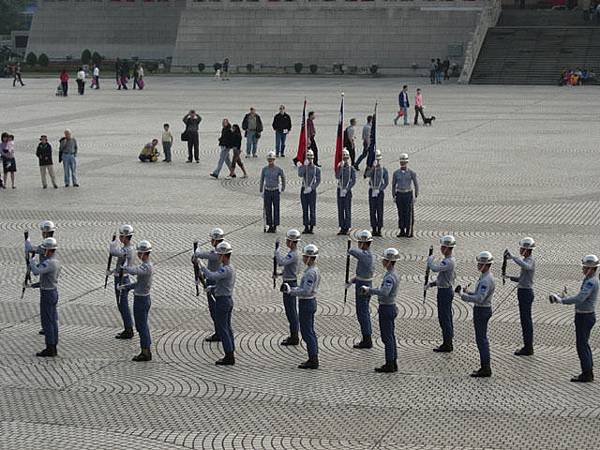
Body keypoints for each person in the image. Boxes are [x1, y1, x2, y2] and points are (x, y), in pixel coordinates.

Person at [549, 255, 598, 383]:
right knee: (584, 344)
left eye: (585, 267)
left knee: (581, 345)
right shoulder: (589, 279)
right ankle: (588, 370)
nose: (583, 269)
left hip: (584, 316)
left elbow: (580, 298)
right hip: (584, 315)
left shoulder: (591, 282)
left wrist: (562, 300)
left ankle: (587, 373)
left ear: (591, 269)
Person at [456, 251, 496, 378]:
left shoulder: (485, 280)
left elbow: (480, 298)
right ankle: (484, 366)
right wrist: (469, 292)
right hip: (482, 309)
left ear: (485, 264)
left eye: (480, 263)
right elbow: (478, 293)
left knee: (481, 340)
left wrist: (464, 296)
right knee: (481, 339)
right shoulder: (485, 276)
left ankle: (485, 368)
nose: (478, 265)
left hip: (481, 310)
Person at [361, 247, 400, 373]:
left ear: (389, 262)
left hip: (386, 307)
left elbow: (384, 292)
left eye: (384, 260)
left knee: (387, 337)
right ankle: (393, 361)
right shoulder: (393, 274)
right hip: (390, 307)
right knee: (391, 336)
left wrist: (370, 290)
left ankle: (389, 363)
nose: (383, 262)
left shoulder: (390, 277)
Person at [282, 243, 321, 369]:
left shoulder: (310, 273)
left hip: (307, 302)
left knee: (307, 332)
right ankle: (313, 356)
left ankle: (313, 359)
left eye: (305, 257)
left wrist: (291, 291)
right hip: (309, 301)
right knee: (309, 331)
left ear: (310, 258)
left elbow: (306, 291)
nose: (303, 259)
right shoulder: (313, 270)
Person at [199, 241, 237, 366]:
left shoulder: (225, 269)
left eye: (219, 255)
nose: (218, 257)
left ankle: (228, 355)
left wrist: (201, 265)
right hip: (227, 299)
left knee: (223, 328)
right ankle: (231, 351)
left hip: (223, 301)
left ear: (223, 256)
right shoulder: (230, 267)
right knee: (227, 327)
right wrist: (211, 288)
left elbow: (211, 275)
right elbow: (221, 284)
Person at [118, 240, 154, 362]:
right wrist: (126, 287)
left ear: (144, 254)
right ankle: (146, 349)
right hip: (142, 298)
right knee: (142, 325)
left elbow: (135, 271)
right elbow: (139, 283)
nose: (138, 255)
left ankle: (145, 351)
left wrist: (125, 268)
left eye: (139, 253)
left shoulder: (146, 267)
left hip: (141, 300)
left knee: (141, 326)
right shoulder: (146, 265)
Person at [504, 237, 536, 356]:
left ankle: (528, 347)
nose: (520, 249)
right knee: (524, 320)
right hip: (523, 292)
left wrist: (512, 257)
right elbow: (523, 277)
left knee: (526, 320)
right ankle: (527, 345)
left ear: (526, 250)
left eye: (521, 248)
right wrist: (510, 277)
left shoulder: (529, 261)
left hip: (526, 293)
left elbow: (526, 267)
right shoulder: (526, 260)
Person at [30, 237, 61, 357]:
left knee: (47, 322)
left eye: (44, 250)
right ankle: (53, 346)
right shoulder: (56, 262)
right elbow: (46, 280)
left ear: (49, 250)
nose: (43, 252)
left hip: (47, 294)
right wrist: (33, 285)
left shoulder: (49, 263)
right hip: (52, 291)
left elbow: (36, 271)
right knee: (52, 321)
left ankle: (50, 347)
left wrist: (31, 260)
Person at [193, 228, 225, 342]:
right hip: (215, 280)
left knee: (214, 309)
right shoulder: (220, 251)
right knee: (215, 309)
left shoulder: (216, 253)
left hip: (213, 281)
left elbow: (200, 254)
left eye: (212, 239)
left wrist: (196, 248)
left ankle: (219, 332)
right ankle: (219, 331)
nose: (211, 241)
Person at [426, 235, 457, 353]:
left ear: (447, 248)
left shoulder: (448, 262)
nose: (441, 249)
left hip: (445, 292)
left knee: (444, 318)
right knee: (446, 316)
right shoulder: (449, 260)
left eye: (443, 247)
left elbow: (435, 269)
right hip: (444, 289)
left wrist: (430, 261)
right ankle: (447, 340)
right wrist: (432, 284)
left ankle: (448, 343)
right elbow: (441, 279)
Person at [347, 230, 375, 349]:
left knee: (362, 312)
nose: (358, 244)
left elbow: (353, 251)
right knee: (363, 311)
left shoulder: (365, 255)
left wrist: (349, 246)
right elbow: (361, 274)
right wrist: (352, 281)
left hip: (363, 285)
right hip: (362, 281)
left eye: (360, 242)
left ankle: (367, 338)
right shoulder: (367, 254)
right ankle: (366, 336)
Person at [274, 229, 301, 346]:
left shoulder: (293, 254)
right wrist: (279, 274)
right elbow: (288, 269)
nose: (286, 242)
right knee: (290, 310)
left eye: (288, 240)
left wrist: (277, 252)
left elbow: (281, 262)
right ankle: (293, 334)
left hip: (290, 284)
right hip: (289, 280)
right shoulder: (294, 253)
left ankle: (294, 336)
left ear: (291, 242)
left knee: (291, 311)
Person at [108, 225, 135, 340]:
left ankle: (129, 329)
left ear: (125, 237)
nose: (120, 238)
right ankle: (127, 327)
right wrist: (112, 271)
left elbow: (113, 252)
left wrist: (113, 242)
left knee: (122, 305)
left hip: (122, 279)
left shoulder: (127, 250)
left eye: (121, 236)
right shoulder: (127, 248)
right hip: (120, 276)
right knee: (121, 304)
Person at [392, 153, 418, 237]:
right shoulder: (396, 173)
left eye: (404, 162)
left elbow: (416, 184)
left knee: (408, 213)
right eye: (401, 162)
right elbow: (393, 184)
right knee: (400, 213)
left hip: (408, 194)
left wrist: (415, 195)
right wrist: (393, 195)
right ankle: (402, 230)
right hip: (399, 193)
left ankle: (409, 230)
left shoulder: (411, 173)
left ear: (407, 162)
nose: (403, 164)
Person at [260, 151, 286, 233]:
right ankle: (269, 225)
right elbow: (262, 179)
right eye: (269, 160)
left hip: (275, 190)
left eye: (272, 160)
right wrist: (261, 190)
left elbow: (283, 177)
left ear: (274, 160)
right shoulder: (264, 169)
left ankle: (275, 225)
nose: (270, 161)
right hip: (267, 190)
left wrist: (282, 187)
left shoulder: (278, 169)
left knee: (276, 208)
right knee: (268, 209)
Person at [297, 149, 320, 234]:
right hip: (304, 189)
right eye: (308, 158)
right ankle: (306, 226)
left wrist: (312, 188)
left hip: (311, 190)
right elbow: (300, 174)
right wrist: (304, 166)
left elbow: (318, 180)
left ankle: (312, 226)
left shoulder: (316, 169)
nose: (309, 160)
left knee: (312, 208)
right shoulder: (304, 166)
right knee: (305, 209)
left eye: (311, 158)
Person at [335, 149, 356, 235]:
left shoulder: (351, 168)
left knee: (347, 209)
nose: (345, 159)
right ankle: (342, 227)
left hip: (347, 191)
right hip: (340, 189)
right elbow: (337, 176)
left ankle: (347, 227)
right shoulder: (340, 166)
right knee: (340, 209)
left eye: (346, 158)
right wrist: (340, 168)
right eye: (344, 158)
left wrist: (347, 189)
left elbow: (353, 180)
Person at [368, 150, 388, 236]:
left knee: (379, 210)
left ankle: (379, 228)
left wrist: (380, 189)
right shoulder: (372, 168)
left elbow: (386, 182)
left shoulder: (383, 170)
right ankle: (374, 227)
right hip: (372, 190)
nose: (377, 161)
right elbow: (367, 175)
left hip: (379, 192)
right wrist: (372, 168)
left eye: (378, 160)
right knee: (372, 210)